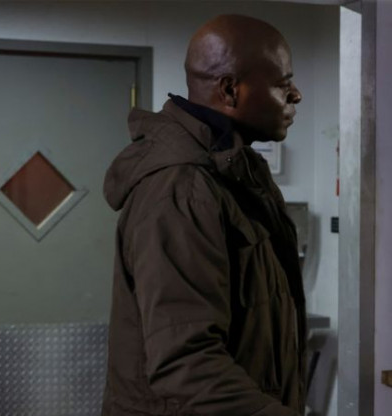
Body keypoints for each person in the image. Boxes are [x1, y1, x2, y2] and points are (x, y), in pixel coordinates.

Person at [102, 14, 306, 416]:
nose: (295, 95)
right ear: (229, 90)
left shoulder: (234, 176)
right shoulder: (181, 188)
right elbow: (186, 362)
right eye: (283, 84)